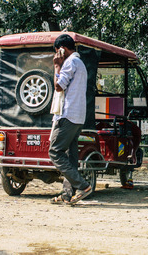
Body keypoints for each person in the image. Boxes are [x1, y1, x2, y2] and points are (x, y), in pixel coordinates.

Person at [49, 34, 92, 205]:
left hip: (67, 115)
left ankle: (83, 186)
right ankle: (67, 193)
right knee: (70, 156)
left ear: (62, 49)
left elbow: (59, 86)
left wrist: (56, 67)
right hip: (78, 116)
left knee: (55, 152)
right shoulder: (80, 63)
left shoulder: (69, 63)